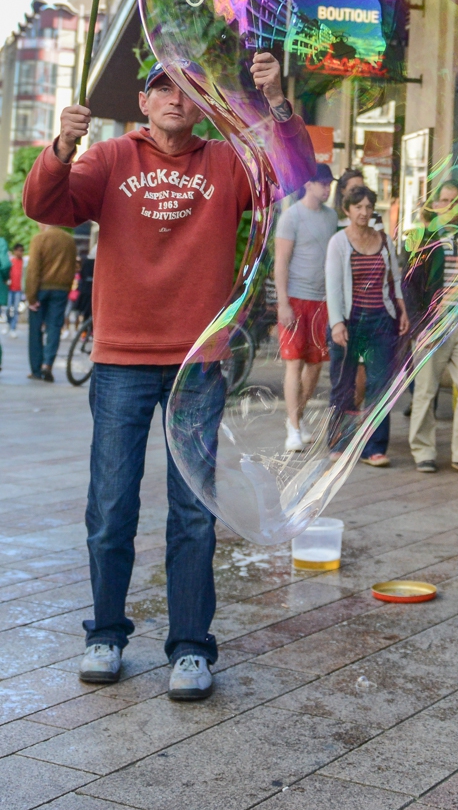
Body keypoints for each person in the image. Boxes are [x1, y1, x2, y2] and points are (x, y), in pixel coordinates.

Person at [24, 52, 307, 700]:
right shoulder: (107, 158)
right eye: (160, 88)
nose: (174, 96)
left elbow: (292, 175)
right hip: (121, 359)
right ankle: (105, 634)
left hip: (198, 362)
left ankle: (190, 648)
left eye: (185, 88)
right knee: (112, 504)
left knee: (194, 513)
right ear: (144, 104)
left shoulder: (227, 162)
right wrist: (64, 143)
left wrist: (277, 104)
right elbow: (46, 205)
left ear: (201, 105)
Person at [408, 178, 458, 477]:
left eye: (455, 201)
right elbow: (410, 287)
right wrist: (419, 327)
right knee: (426, 390)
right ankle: (423, 451)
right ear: (435, 204)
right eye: (443, 200)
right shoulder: (425, 239)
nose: (448, 206)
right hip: (433, 324)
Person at [326, 185, 408, 468]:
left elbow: (394, 279)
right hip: (350, 320)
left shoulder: (384, 241)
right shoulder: (338, 241)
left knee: (379, 385)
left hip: (381, 320)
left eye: (368, 207)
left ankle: (374, 448)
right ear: (347, 210)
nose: (363, 212)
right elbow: (333, 286)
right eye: (357, 206)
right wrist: (336, 323)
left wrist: (401, 308)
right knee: (343, 383)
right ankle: (339, 442)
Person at [273, 163, 337, 452]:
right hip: (296, 299)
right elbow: (281, 262)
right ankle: (294, 428)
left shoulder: (331, 216)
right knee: (294, 363)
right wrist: (283, 302)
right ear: (308, 184)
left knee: (314, 367)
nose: (327, 188)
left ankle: (295, 418)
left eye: (329, 184)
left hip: (322, 301)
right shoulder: (291, 216)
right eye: (322, 183)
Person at [24, 222, 76, 382]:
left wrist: (31, 297)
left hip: (41, 289)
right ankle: (48, 364)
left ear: (43, 222)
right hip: (61, 290)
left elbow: (33, 269)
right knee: (54, 327)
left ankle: (36, 369)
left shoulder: (39, 239)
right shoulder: (69, 240)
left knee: (35, 330)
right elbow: (73, 266)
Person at [7, 243, 23, 335]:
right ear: (15, 251)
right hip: (10, 288)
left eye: (21, 251)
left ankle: (13, 328)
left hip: (19, 289)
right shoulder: (11, 261)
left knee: (16, 309)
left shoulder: (24, 262)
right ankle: (9, 324)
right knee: (9, 308)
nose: (20, 252)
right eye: (19, 250)